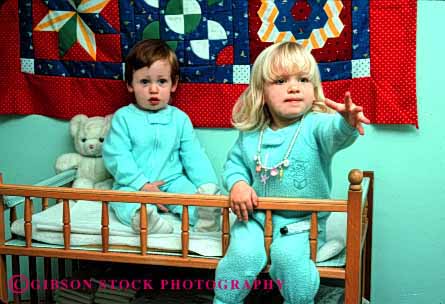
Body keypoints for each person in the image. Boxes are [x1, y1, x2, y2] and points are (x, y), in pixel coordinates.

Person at [214, 41, 370, 304]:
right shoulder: (251, 134)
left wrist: (346, 123)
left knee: (289, 259)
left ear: (314, 90)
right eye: (280, 81)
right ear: (261, 92)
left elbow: (335, 134)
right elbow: (234, 165)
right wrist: (238, 184)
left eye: (303, 79)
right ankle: (225, 300)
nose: (294, 87)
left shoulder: (314, 126)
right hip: (255, 218)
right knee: (243, 255)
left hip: (301, 224)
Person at [103, 39, 220, 234]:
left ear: (173, 84)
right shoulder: (123, 118)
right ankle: (144, 218)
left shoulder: (179, 119)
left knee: (188, 195)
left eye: (162, 81)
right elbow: (117, 156)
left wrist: (208, 186)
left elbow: (194, 156)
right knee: (120, 197)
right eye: (144, 82)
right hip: (133, 185)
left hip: (172, 181)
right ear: (130, 85)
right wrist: (141, 184)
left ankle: (204, 217)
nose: (153, 89)